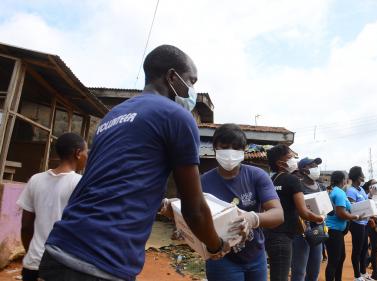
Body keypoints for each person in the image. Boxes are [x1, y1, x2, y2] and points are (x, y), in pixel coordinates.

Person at [39, 45, 241, 281]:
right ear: (172, 77)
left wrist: (162, 204)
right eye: (191, 81)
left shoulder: (112, 117)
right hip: (103, 261)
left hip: (58, 248)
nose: (193, 90)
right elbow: (194, 209)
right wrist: (216, 245)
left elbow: (116, 182)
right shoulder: (177, 116)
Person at [197, 124, 284, 281]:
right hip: (221, 258)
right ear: (215, 148)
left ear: (244, 150)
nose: (230, 152)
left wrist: (251, 219)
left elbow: (278, 214)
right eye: (224, 147)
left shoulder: (257, 176)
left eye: (236, 148)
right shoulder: (203, 182)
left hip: (256, 256)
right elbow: (195, 217)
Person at [16, 133, 88, 281]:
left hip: (33, 264)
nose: (87, 157)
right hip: (62, 266)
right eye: (86, 152)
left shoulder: (35, 180)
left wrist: (32, 252)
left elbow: (26, 225)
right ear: (78, 153)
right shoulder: (80, 183)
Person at [265, 144, 324, 281]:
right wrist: (319, 218)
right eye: (291, 157)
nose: (294, 161)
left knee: (279, 274)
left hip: (270, 234)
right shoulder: (292, 180)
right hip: (287, 234)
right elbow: (303, 212)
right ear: (280, 163)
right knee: (288, 274)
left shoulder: (270, 180)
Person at [291, 157, 324, 281]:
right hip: (301, 232)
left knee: (314, 269)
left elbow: (326, 207)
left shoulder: (321, 186)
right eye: (312, 165)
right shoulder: (297, 185)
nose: (316, 168)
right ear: (303, 169)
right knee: (299, 270)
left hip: (318, 230)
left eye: (316, 165)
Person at [324, 171, 360, 281]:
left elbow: (346, 207)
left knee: (339, 258)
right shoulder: (339, 193)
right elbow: (341, 213)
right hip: (334, 230)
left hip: (335, 230)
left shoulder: (335, 191)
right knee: (334, 260)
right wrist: (355, 217)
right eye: (346, 179)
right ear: (343, 180)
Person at [346, 166, 371, 281]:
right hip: (356, 223)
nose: (363, 177)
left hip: (365, 223)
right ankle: (357, 276)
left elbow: (366, 203)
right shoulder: (351, 190)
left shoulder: (361, 189)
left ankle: (363, 272)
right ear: (356, 176)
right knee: (357, 249)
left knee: (365, 248)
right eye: (361, 175)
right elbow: (351, 208)